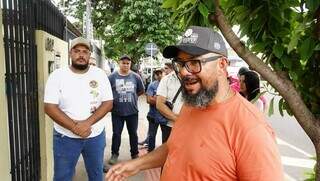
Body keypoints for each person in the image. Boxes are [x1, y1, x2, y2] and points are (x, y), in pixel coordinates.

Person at [106, 26, 283, 181]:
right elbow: (174, 147)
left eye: (194, 62)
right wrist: (137, 165)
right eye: (181, 64)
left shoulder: (251, 129)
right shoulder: (191, 104)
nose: (183, 72)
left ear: (221, 65)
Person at [44, 37, 113, 181]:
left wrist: (86, 124)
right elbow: (50, 107)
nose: (81, 55)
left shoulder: (99, 74)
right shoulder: (57, 76)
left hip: (95, 136)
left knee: (96, 176)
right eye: (77, 51)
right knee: (62, 177)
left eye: (85, 52)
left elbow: (108, 103)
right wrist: (75, 127)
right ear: (70, 53)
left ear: (89, 55)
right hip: (65, 137)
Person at [108, 55, 145, 165]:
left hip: (132, 112)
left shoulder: (136, 77)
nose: (125, 65)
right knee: (116, 134)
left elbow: (141, 91)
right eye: (123, 63)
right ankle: (114, 154)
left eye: (128, 63)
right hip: (117, 112)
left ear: (130, 64)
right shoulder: (112, 77)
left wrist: (132, 98)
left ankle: (134, 153)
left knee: (133, 134)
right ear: (119, 63)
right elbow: (107, 93)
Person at [156, 62, 183, 143]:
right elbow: (159, 104)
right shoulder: (166, 80)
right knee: (168, 151)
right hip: (169, 126)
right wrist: (178, 119)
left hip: (192, 127)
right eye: (180, 61)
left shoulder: (197, 78)